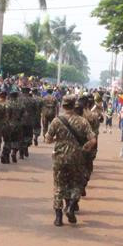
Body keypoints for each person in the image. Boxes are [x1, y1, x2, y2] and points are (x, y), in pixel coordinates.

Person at [46, 95, 96, 226]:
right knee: (76, 184)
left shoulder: (57, 121)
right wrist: (85, 148)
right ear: (74, 106)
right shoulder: (82, 121)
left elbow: (48, 139)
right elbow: (92, 140)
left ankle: (58, 217)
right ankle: (71, 207)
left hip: (60, 157)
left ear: (63, 106)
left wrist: (58, 139)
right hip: (77, 157)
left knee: (59, 186)